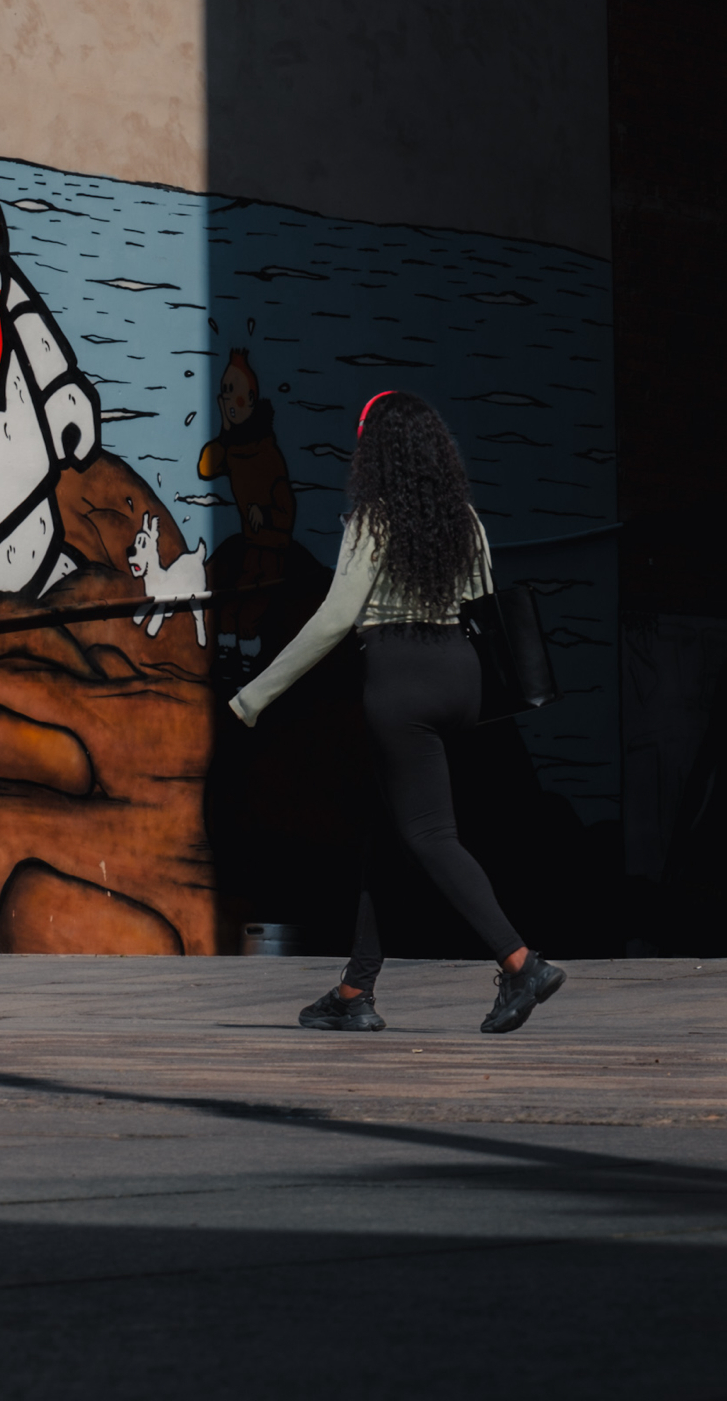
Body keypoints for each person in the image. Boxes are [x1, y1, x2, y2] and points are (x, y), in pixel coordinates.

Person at [229, 389, 565, 1035]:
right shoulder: (464, 521)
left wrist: (255, 694)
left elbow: (333, 620)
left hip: (400, 684)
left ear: (374, 454)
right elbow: (482, 603)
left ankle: (521, 962)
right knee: (389, 832)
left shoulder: (372, 522)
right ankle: (356, 989)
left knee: (430, 836)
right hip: (461, 685)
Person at [198, 348, 295, 677]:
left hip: (272, 549)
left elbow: (287, 510)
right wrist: (224, 429)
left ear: (251, 399)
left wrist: (264, 515)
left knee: (251, 613)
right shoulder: (234, 450)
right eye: (224, 393)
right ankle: (228, 662)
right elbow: (206, 467)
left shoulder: (267, 452)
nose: (228, 400)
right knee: (229, 609)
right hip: (252, 548)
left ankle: (247, 668)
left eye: (234, 393)